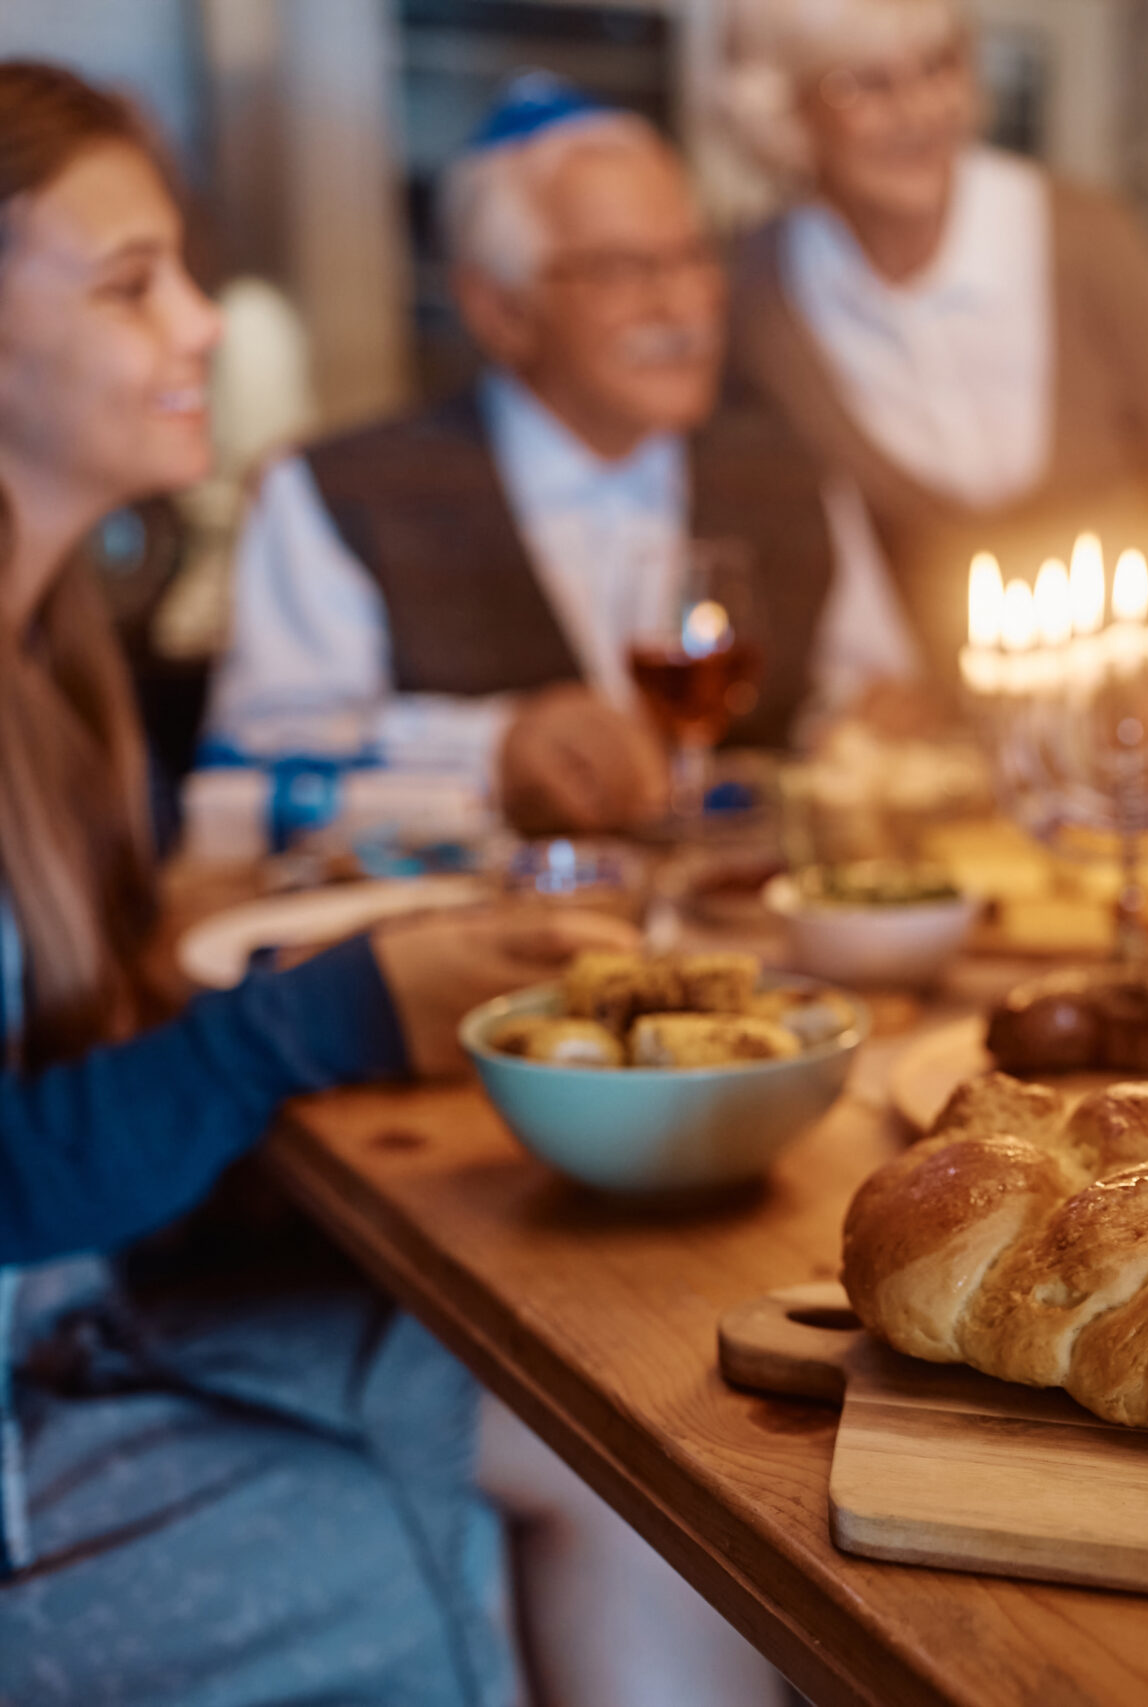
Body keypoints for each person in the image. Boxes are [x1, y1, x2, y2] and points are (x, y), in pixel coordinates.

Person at [0, 65, 786, 1705]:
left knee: (645, 1450)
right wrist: (342, 1009)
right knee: (533, 1508)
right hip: (37, 1439)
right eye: (133, 284)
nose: (209, 325)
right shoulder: (321, 500)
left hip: (84, 1329)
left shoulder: (50, 654)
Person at [208, 76, 921, 835]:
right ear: (499, 309)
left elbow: (874, 690)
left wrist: (878, 723)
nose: (685, 308)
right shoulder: (330, 494)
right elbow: (243, 784)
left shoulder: (790, 469)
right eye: (622, 270)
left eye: (694, 257)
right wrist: (493, 750)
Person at [723, 0, 1148, 672]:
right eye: (865, 85)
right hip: (918, 724)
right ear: (786, 112)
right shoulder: (762, 287)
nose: (916, 113)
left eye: (938, 69)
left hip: (1132, 689)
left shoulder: (1086, 239)